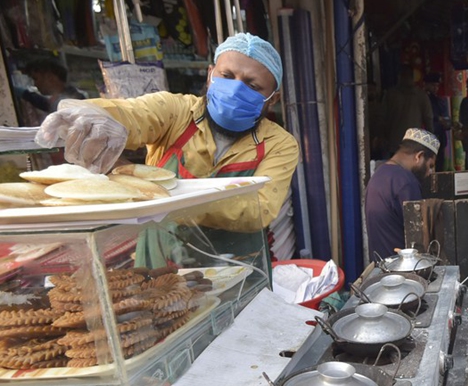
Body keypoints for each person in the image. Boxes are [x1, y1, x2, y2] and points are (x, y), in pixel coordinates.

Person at [36, 33, 299, 235]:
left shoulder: (279, 144)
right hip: (161, 259)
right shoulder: (176, 112)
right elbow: (132, 113)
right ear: (210, 75)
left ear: (272, 99)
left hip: (238, 265)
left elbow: (258, 210)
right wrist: (95, 114)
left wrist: (160, 194)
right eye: (227, 75)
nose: (235, 89)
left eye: (252, 85)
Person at [365, 128, 439, 259]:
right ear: (419, 156)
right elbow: (418, 239)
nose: (430, 173)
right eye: (430, 165)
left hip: (381, 265)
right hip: (402, 269)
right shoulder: (406, 182)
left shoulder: (379, 174)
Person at [381, 66, 434, 155]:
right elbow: (428, 119)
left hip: (395, 142)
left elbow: (382, 117)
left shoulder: (391, 95)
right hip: (413, 143)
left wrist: (382, 137)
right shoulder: (421, 95)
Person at [16, 58, 86, 113]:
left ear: (50, 77)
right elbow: (42, 102)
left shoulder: (69, 101)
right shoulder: (63, 98)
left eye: (36, 79)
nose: (35, 84)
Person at [423, 73, 450, 171]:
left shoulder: (439, 100)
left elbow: (446, 118)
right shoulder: (423, 99)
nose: (435, 88)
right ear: (426, 85)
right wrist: (438, 119)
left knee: (439, 167)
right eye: (433, 85)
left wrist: (446, 122)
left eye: (437, 85)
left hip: (439, 138)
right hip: (426, 138)